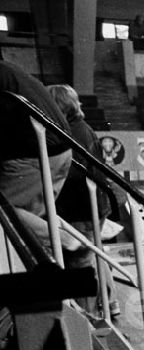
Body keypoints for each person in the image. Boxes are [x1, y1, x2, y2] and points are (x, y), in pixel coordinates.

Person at [48, 84, 119, 317]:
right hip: (94, 206)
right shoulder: (82, 128)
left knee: (80, 264)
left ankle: (86, 318)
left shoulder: (68, 132)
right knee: (93, 252)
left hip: (80, 209)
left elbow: (71, 175)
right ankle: (110, 303)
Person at [0, 60, 73, 241]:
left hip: (36, 153)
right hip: (61, 149)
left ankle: (68, 243)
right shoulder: (11, 69)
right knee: (31, 219)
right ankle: (79, 247)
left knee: (5, 211)